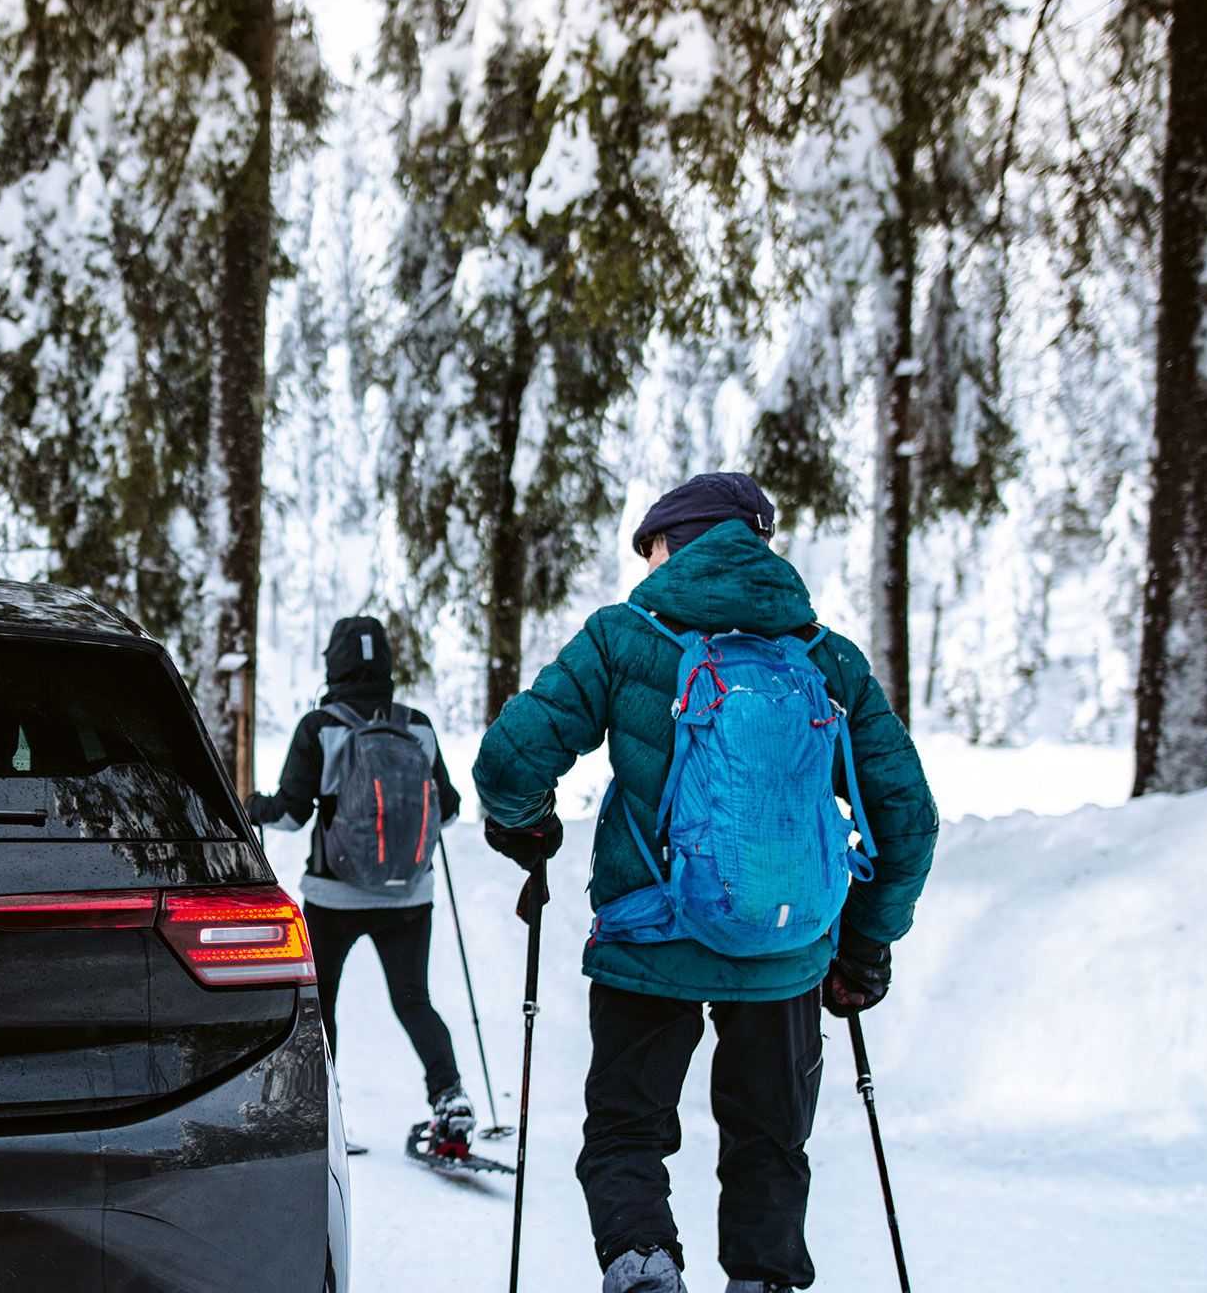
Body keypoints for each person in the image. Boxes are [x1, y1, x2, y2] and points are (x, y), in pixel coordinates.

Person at [472, 473, 937, 1293]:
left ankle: (643, 1265)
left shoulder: (623, 638)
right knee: (769, 1141)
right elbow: (908, 819)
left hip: (650, 941)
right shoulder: (827, 659)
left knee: (626, 1132)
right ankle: (761, 1280)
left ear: (673, 543)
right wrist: (865, 943)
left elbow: (510, 761)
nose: (645, 567)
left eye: (648, 548)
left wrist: (527, 824)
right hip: (788, 949)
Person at [245, 614, 478, 1157]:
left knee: (322, 1002)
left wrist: (256, 805)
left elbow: (292, 814)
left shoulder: (319, 727)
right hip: (409, 897)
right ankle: (449, 1095)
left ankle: (321, 1108)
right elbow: (448, 809)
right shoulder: (416, 723)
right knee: (415, 1000)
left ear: (334, 664)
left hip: (334, 897)